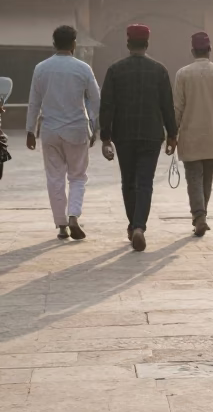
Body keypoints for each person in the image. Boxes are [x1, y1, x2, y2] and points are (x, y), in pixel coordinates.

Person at [98, 24, 178, 252]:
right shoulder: (159, 70)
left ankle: (133, 224)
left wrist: (105, 137)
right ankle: (139, 227)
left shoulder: (115, 70)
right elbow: (167, 106)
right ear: (147, 44)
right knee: (145, 182)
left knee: (128, 181)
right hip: (152, 135)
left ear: (128, 43)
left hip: (124, 135)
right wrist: (172, 134)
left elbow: (107, 106)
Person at [25, 25, 100, 240]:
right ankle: (73, 215)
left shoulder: (41, 68)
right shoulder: (83, 68)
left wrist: (30, 130)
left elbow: (34, 102)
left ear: (54, 43)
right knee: (77, 176)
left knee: (54, 177)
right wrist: (94, 125)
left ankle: (61, 224)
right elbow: (96, 100)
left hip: (50, 130)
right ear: (74, 44)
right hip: (76, 129)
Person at [173, 32, 213, 238]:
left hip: (190, 136)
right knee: (207, 179)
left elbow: (177, 108)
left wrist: (172, 135)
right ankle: (202, 216)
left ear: (192, 51)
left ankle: (199, 217)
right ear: (209, 51)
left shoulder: (183, 74)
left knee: (194, 179)